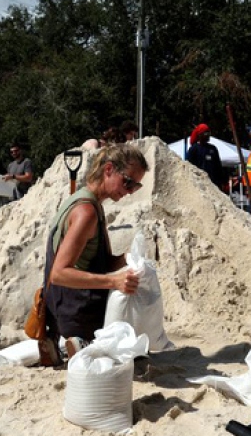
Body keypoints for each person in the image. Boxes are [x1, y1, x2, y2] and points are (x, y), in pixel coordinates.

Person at [45, 144, 146, 358]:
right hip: (76, 312)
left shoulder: (90, 204)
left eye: (135, 187)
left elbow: (98, 262)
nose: (129, 191)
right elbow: (59, 273)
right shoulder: (86, 212)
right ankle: (78, 343)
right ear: (109, 170)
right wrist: (114, 281)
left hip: (70, 307)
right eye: (128, 182)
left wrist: (130, 257)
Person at [186, 123, 225, 190]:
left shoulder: (213, 149)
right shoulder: (194, 149)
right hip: (200, 184)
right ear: (199, 135)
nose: (208, 135)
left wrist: (221, 181)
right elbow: (189, 167)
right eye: (205, 133)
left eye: (208, 133)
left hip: (213, 184)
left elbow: (218, 166)